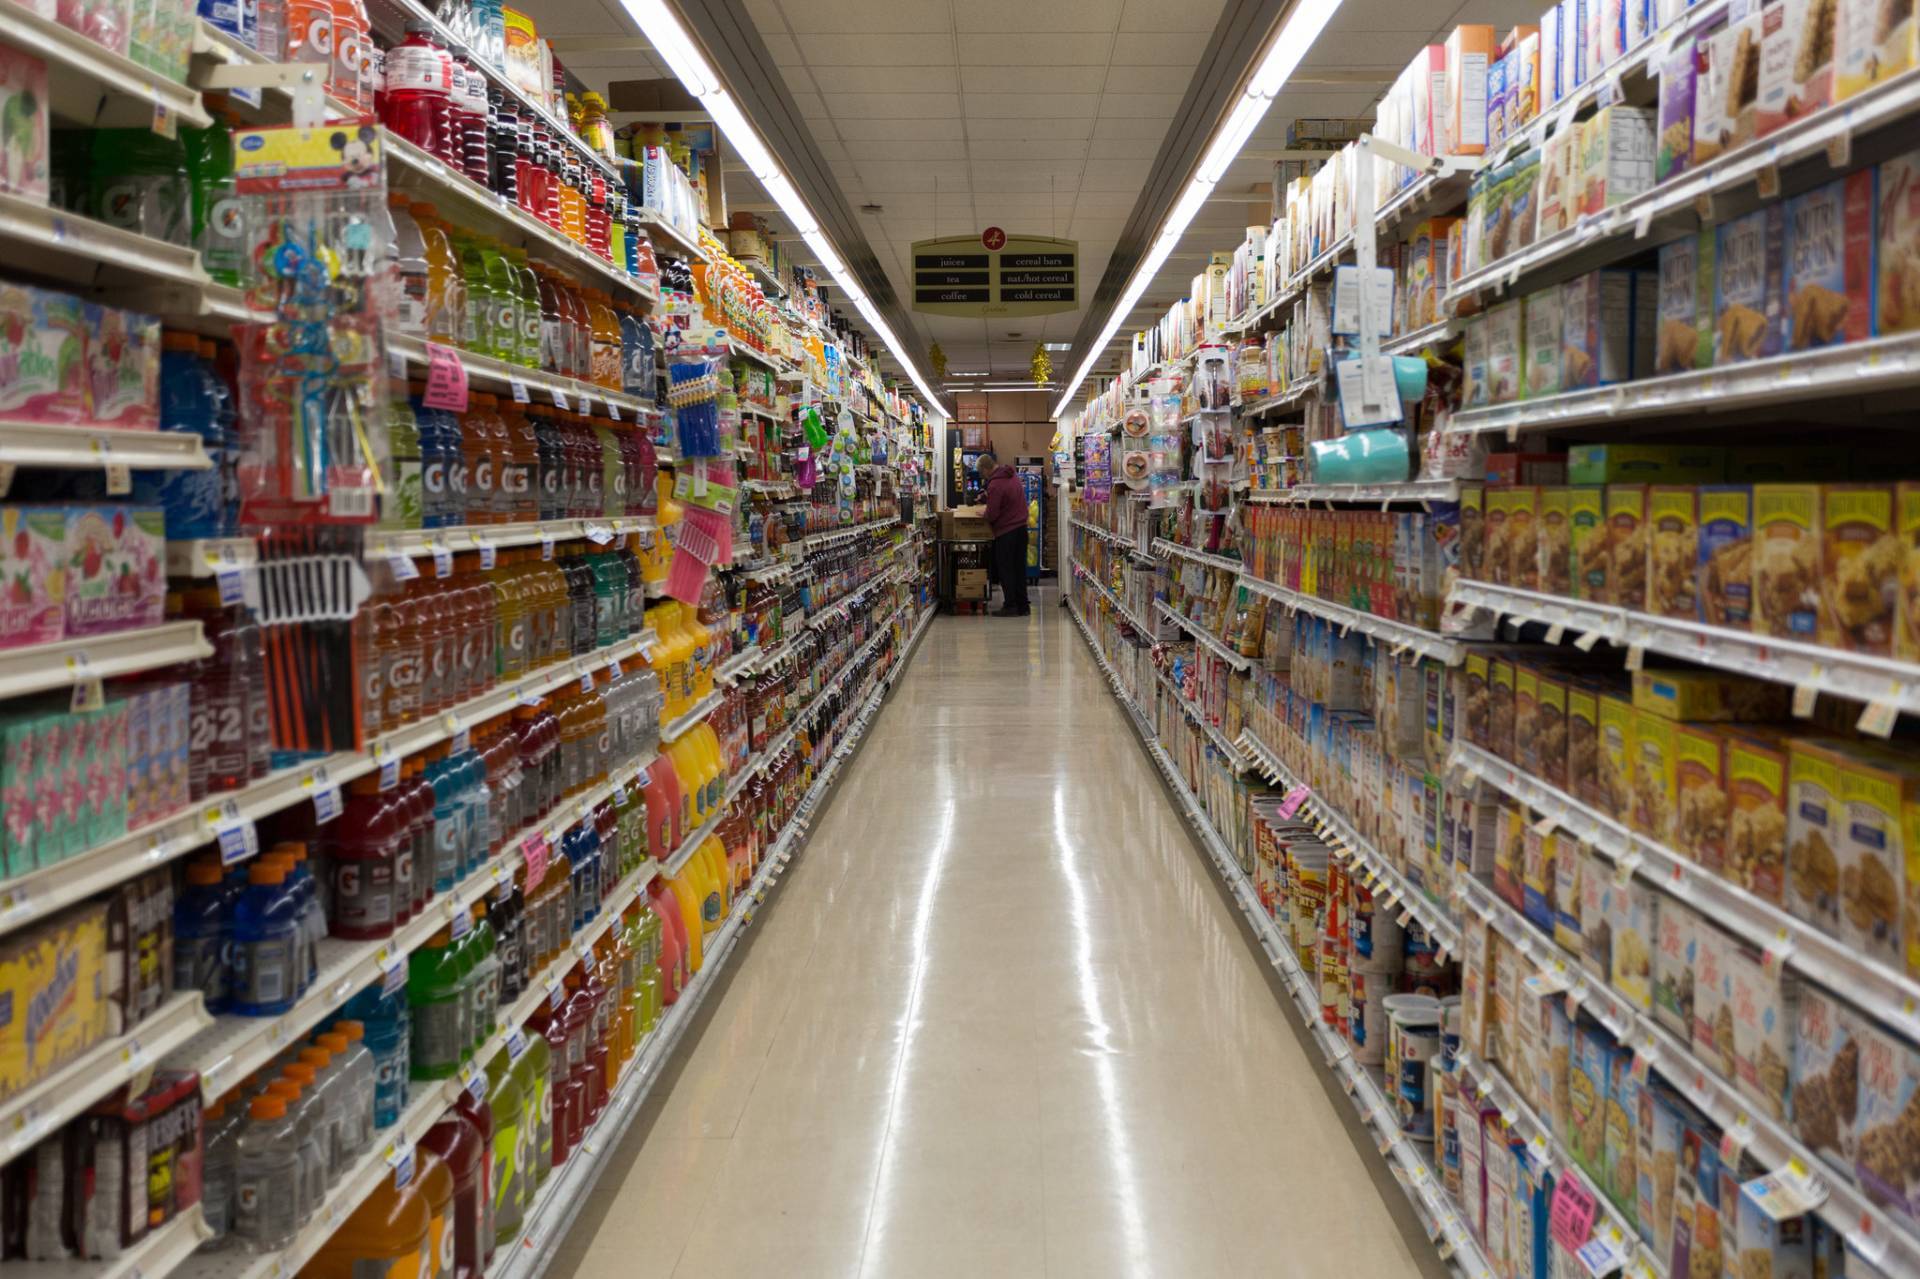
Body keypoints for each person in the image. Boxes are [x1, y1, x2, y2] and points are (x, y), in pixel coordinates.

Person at [980, 453, 1030, 617]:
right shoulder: (1012, 475)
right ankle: (1023, 605)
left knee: (1006, 569)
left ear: (985, 469)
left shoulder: (995, 484)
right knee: (1019, 569)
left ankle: (1010, 605)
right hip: (1021, 529)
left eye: (982, 473)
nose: (984, 477)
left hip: (1006, 532)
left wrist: (984, 514)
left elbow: (992, 514)